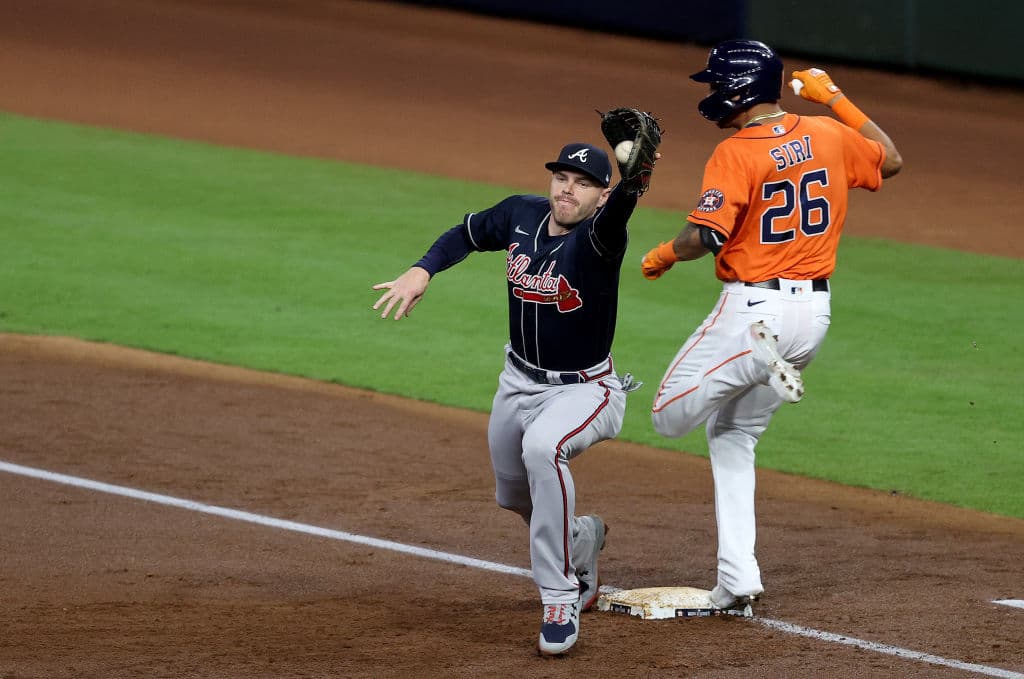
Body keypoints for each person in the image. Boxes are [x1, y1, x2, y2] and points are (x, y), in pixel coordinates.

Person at [639, 39, 902, 614]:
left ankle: (756, 360)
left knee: (665, 414)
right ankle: (737, 579)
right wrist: (835, 98)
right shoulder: (828, 134)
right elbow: (892, 158)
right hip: (814, 317)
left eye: (716, 84)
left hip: (755, 315)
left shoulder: (737, 152)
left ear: (739, 89)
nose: (710, 94)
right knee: (733, 436)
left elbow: (702, 236)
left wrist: (660, 253)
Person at [372, 131, 657, 654]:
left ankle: (560, 595)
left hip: (584, 390)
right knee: (513, 494)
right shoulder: (521, 214)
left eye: (584, 184)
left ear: (600, 196)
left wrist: (634, 182)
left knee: (542, 450)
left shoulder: (600, 238)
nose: (568, 190)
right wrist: (422, 270)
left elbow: (621, 212)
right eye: (562, 178)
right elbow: (466, 233)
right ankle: (579, 540)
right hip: (517, 380)